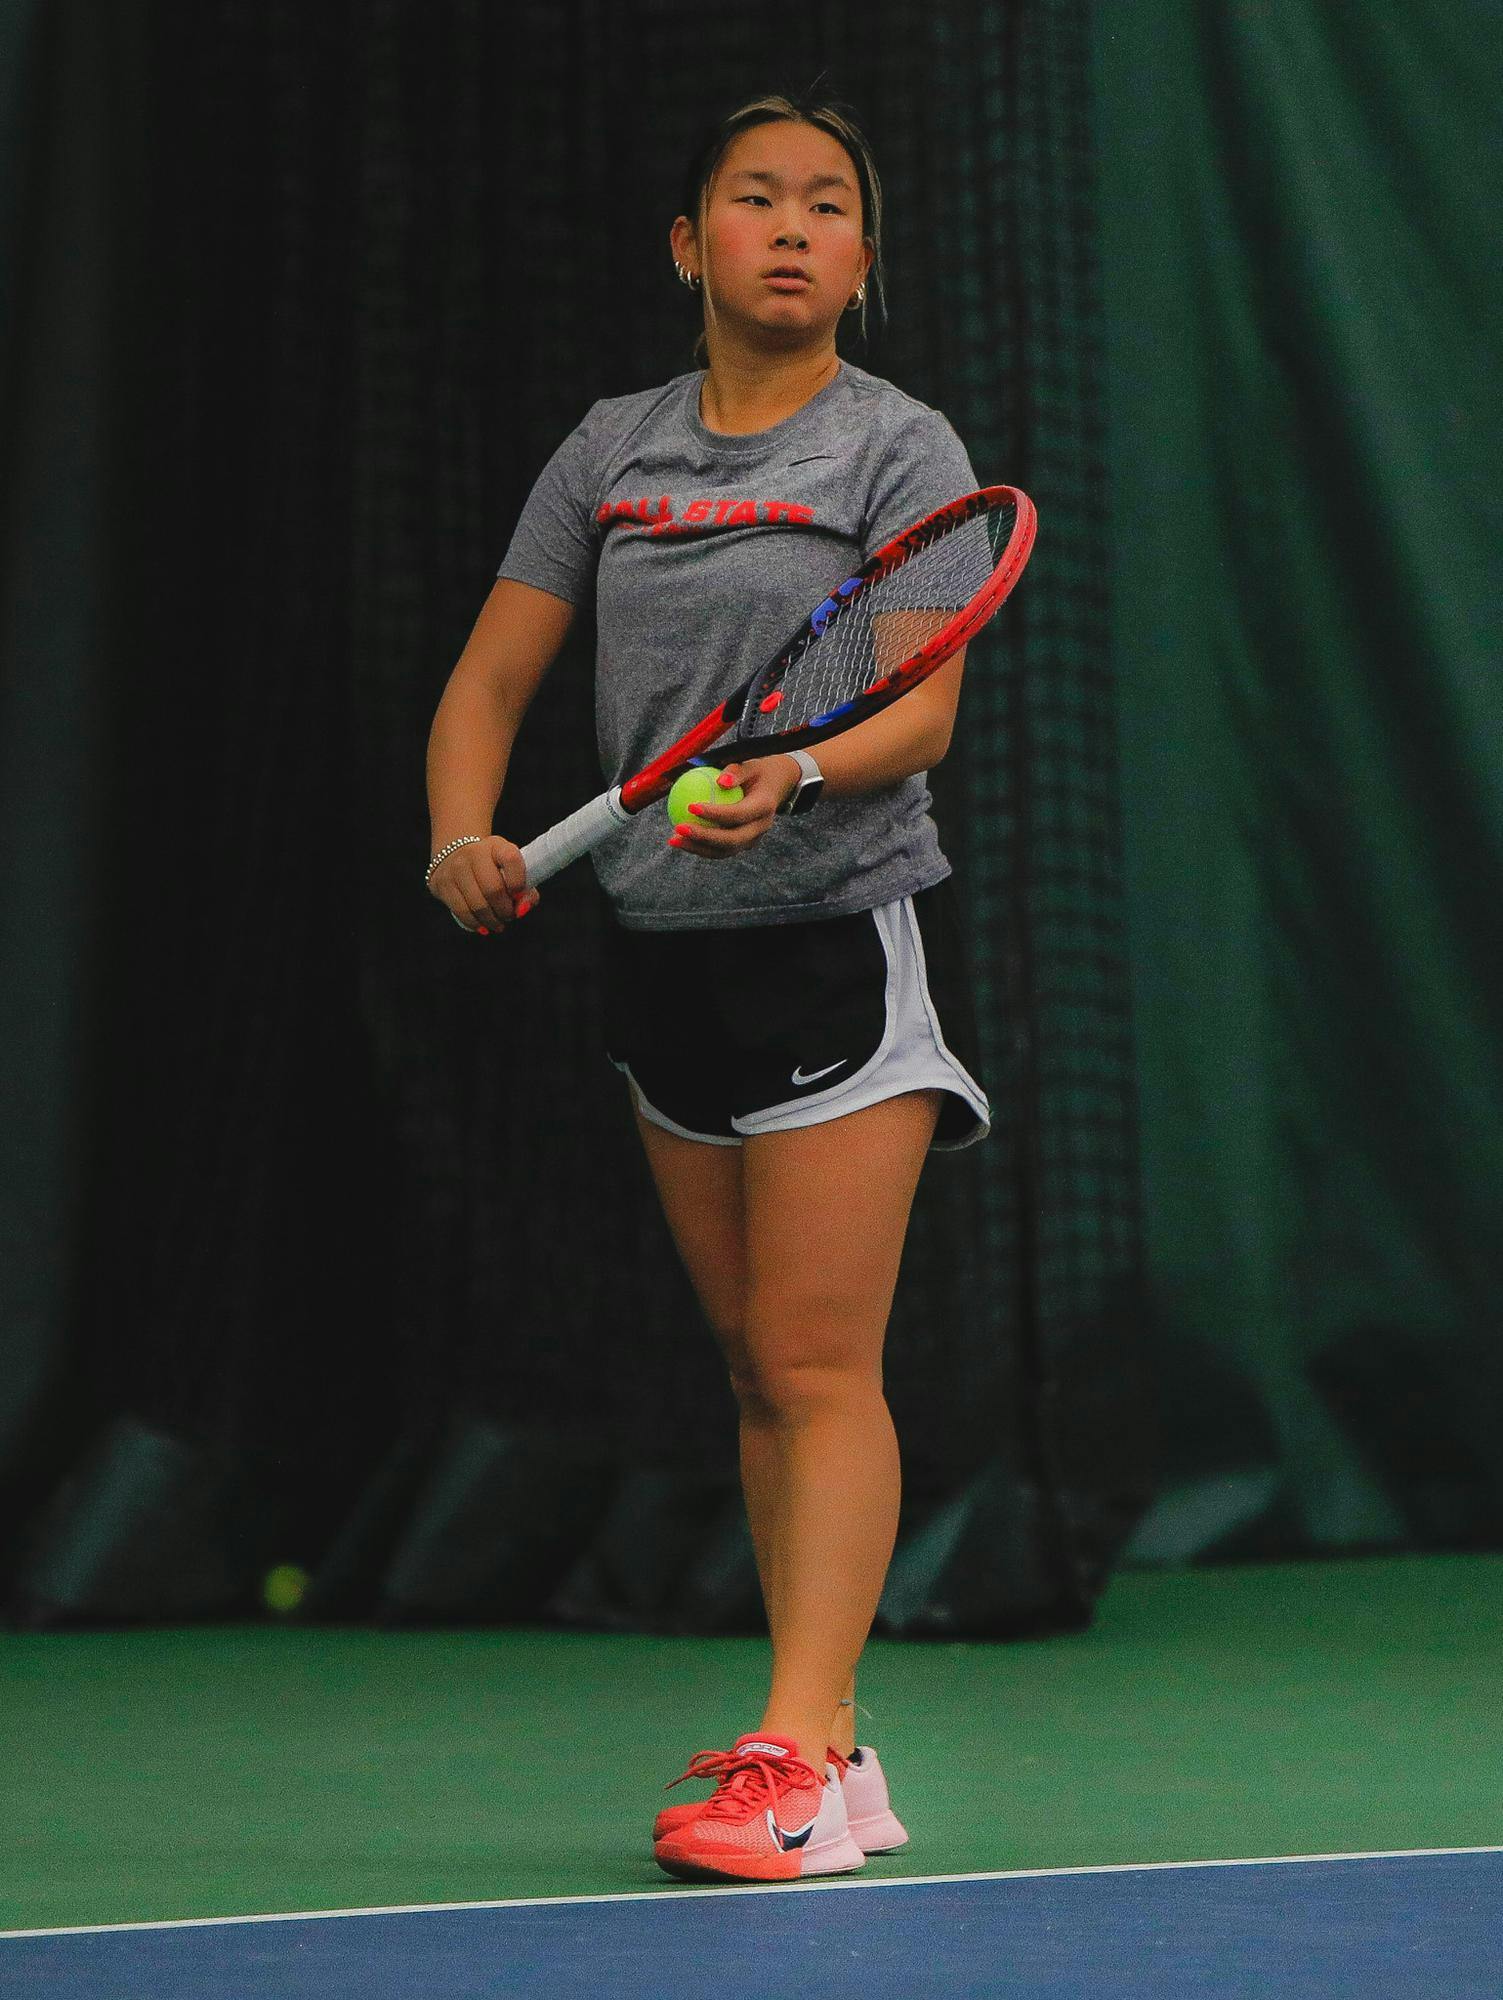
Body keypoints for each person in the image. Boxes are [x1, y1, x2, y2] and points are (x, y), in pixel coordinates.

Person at [424, 87, 993, 1884]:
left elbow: (919, 711)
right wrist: (464, 833)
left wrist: (795, 778)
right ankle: (827, 1742)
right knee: (757, 1367)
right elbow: (488, 683)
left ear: (862, 261)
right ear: (692, 244)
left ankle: (800, 1750)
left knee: (822, 1361)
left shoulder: (900, 450)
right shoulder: (613, 449)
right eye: (758, 200)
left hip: (833, 949)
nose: (796, 228)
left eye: (831, 205)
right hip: (658, 962)